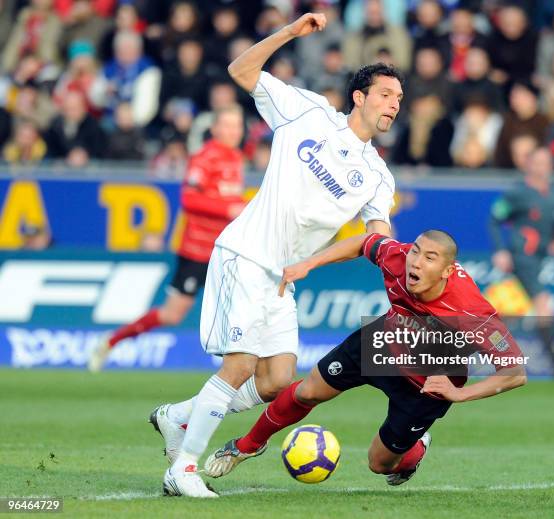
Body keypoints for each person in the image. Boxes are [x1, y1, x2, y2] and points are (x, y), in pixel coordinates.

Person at [155, 12, 403, 498]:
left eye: (398, 98)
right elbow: (241, 72)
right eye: (385, 95)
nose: (394, 104)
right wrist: (290, 33)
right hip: (247, 253)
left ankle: (178, 416)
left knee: (276, 381)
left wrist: (404, 277)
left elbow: (378, 239)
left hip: (285, 276)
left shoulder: (378, 177)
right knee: (240, 365)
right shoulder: (307, 112)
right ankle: (183, 468)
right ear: (359, 96)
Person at [203, 230, 527, 485]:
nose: (415, 261)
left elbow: (514, 371)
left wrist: (459, 394)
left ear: (446, 271)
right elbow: (364, 242)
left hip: (425, 386)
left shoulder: (470, 311)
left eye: (430, 258)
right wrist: (309, 263)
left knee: (379, 464)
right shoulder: (399, 259)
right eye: (416, 250)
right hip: (383, 343)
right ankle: (246, 445)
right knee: (307, 390)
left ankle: (416, 445)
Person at [87, 105, 246, 372]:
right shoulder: (205, 158)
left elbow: (231, 198)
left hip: (226, 250)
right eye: (227, 125)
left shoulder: (236, 158)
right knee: (172, 314)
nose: (233, 131)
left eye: (237, 126)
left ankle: (247, 367)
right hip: (197, 250)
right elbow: (189, 199)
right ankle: (111, 341)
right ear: (215, 128)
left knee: (243, 304)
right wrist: (229, 209)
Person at [489, 147, 554, 378]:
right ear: (528, 164)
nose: (543, 167)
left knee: (506, 313)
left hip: (539, 258)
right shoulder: (518, 193)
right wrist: (501, 250)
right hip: (522, 256)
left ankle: (460, 355)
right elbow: (494, 219)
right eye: (538, 162)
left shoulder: (553, 191)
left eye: (547, 162)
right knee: (544, 307)